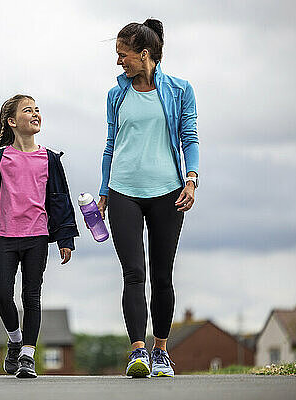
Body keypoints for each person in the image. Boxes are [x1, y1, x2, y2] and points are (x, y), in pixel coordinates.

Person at [98, 19, 199, 378]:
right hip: (124, 190)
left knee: (162, 274)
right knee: (133, 274)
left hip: (168, 193)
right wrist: (104, 191)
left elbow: (190, 138)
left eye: (123, 55)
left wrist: (191, 179)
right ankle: (137, 352)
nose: (119, 62)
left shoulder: (179, 90)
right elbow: (111, 145)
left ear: (144, 54)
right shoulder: (116, 94)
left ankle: (161, 351)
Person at [0, 94, 79, 378]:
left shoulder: (50, 159)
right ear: (12, 121)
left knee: (32, 297)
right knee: (2, 294)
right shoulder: (1, 158)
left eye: (38, 109)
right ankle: (15, 341)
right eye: (28, 110)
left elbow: (61, 200)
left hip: (37, 236)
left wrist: (65, 239)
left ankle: (27, 355)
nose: (36, 114)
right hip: (6, 237)